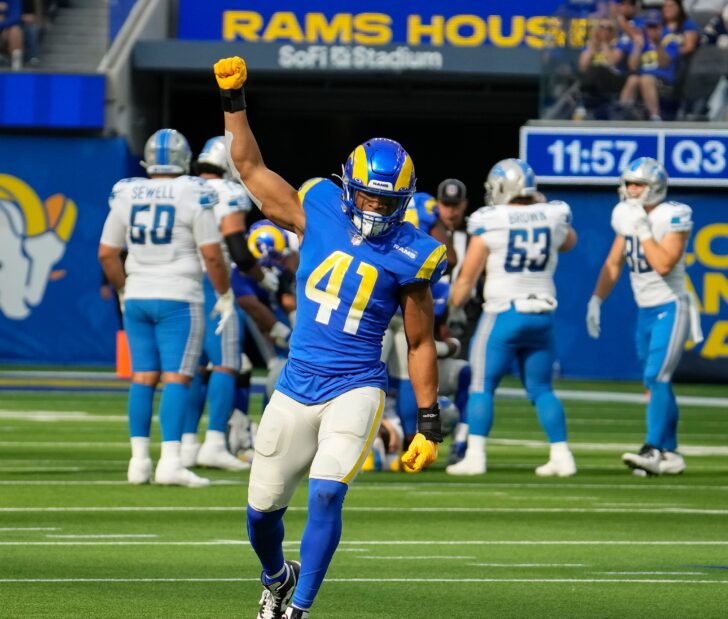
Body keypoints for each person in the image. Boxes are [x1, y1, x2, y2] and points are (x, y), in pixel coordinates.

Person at [214, 56, 446, 619]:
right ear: (349, 189)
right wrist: (234, 101)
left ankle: (302, 608)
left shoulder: (415, 252)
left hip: (356, 386)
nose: (372, 208)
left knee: (326, 491)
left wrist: (429, 419)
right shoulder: (316, 205)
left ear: (404, 201)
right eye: (365, 196)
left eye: (385, 201)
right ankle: (277, 576)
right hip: (296, 384)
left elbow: (418, 342)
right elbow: (249, 168)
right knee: (261, 512)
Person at [98, 128, 234, 488]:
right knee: (177, 377)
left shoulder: (127, 192)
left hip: (139, 294)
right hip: (179, 294)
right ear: (183, 159)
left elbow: (107, 253)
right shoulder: (193, 191)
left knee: (142, 377)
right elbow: (211, 254)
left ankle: (139, 461)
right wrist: (224, 295)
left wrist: (125, 290)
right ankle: (171, 460)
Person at [446, 158, 578, 477]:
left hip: (504, 313)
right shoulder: (553, 215)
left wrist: (453, 304)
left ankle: (475, 455)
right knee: (542, 388)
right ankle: (562, 455)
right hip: (543, 313)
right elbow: (570, 242)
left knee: (481, 385)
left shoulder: (491, 220)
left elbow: (467, 276)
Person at [586, 157, 700, 476]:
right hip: (645, 310)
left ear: (655, 187)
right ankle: (672, 452)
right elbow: (613, 262)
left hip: (671, 306)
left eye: (639, 185)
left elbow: (664, 264)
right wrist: (597, 299)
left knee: (657, 377)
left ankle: (652, 449)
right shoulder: (627, 215)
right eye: (630, 184)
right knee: (654, 381)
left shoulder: (673, 214)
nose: (632, 190)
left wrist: (642, 230)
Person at [181, 136, 275, 472]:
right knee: (226, 364)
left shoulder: (182, 188)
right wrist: (260, 276)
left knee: (194, 367)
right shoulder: (227, 192)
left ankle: (187, 444)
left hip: (182, 284)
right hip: (213, 284)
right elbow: (235, 245)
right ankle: (216, 442)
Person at [619, 10, 682, 120]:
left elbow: (665, 63)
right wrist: (638, 47)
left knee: (646, 78)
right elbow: (632, 67)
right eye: (649, 26)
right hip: (643, 78)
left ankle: (655, 117)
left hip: (664, 81)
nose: (651, 30)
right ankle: (622, 115)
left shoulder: (669, 39)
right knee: (632, 79)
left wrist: (657, 44)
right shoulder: (642, 39)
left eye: (654, 26)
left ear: (661, 26)